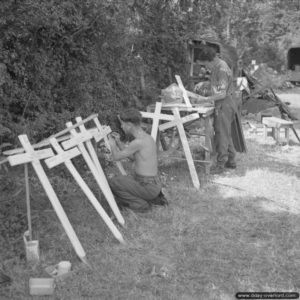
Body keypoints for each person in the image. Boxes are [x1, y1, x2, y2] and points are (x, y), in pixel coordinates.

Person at [107, 108, 167, 212]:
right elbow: (133, 158)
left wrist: (112, 144)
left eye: (123, 124)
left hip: (147, 186)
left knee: (114, 182)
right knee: (122, 179)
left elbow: (116, 157)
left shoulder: (138, 142)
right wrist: (118, 142)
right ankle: (153, 198)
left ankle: (141, 205)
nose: (121, 126)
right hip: (152, 184)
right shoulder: (147, 138)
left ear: (129, 125)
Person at [193, 45, 238, 174]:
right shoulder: (217, 66)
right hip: (224, 103)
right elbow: (216, 85)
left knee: (221, 135)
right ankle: (231, 161)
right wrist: (205, 85)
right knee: (225, 133)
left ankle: (221, 164)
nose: (205, 68)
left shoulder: (221, 68)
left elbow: (221, 93)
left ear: (210, 60)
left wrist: (205, 99)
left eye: (205, 65)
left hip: (225, 104)